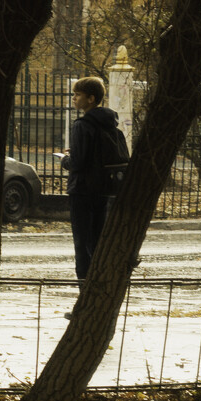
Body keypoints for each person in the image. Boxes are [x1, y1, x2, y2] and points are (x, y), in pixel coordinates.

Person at [61, 76, 122, 282]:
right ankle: (99, 285)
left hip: (82, 190)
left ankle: (84, 292)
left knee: (82, 244)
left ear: (91, 98)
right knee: (97, 242)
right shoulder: (109, 123)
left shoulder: (82, 125)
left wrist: (65, 160)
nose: (73, 98)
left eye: (77, 95)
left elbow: (77, 163)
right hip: (102, 189)